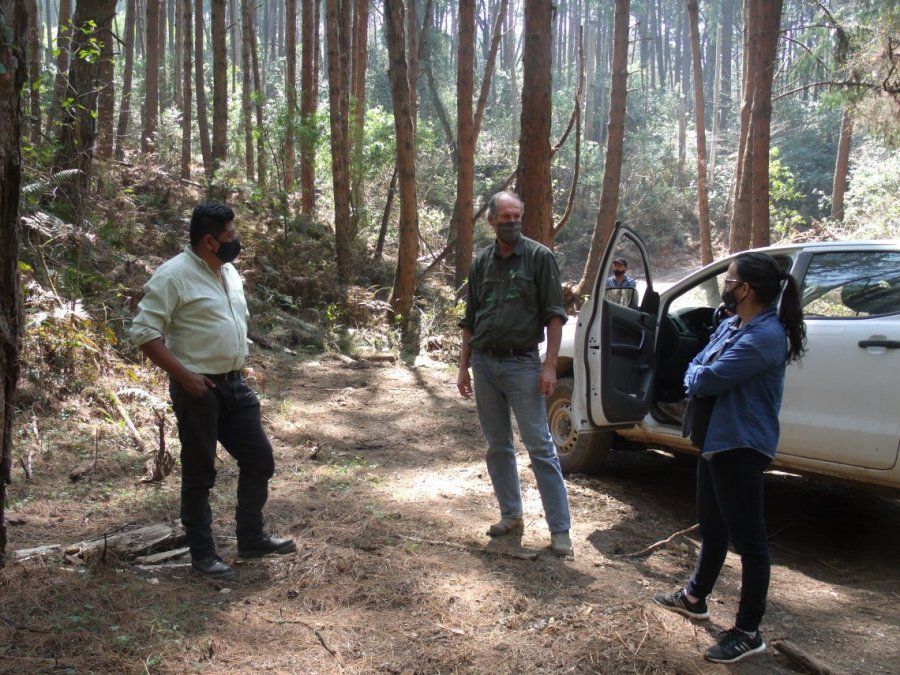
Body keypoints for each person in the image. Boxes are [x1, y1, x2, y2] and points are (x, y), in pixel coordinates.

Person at [653, 252, 806, 664]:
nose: (726, 284)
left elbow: (709, 376)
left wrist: (698, 375)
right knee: (713, 525)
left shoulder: (767, 336)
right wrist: (698, 374)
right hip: (716, 439)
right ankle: (694, 596)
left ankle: (748, 630)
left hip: (741, 444)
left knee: (750, 541)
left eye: (731, 279)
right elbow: (698, 365)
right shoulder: (733, 324)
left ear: (747, 289)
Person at [130, 201, 295, 581]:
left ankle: (252, 539)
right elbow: (144, 333)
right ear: (209, 240)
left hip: (235, 385)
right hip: (198, 390)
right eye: (230, 236)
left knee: (259, 460)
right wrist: (185, 376)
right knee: (200, 472)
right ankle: (203, 555)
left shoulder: (230, 272)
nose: (236, 241)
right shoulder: (173, 276)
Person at [456, 191, 573, 558]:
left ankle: (560, 531)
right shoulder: (481, 263)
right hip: (485, 364)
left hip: (523, 364)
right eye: (503, 217)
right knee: (497, 445)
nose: (511, 222)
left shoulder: (539, 258)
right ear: (490, 221)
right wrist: (463, 365)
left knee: (540, 447)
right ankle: (511, 515)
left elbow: (555, 315)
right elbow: (471, 319)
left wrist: (550, 365)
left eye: (515, 215)